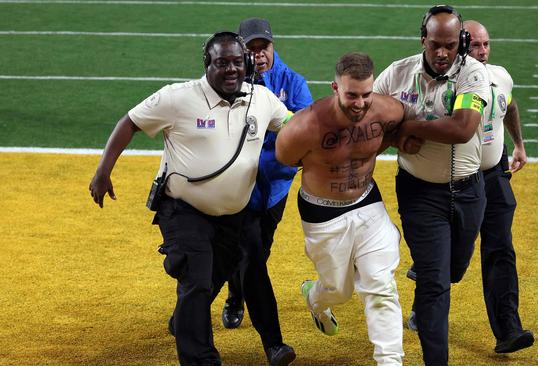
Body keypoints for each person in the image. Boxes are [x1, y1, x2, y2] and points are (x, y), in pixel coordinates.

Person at [89, 31, 294, 366]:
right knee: (197, 279)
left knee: (214, 277)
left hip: (235, 215)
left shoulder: (263, 99)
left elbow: (292, 125)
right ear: (207, 64)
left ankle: (184, 318)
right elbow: (129, 123)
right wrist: (103, 171)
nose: (231, 69)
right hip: (185, 210)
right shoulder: (176, 98)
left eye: (236, 62)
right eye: (221, 62)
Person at [403, 19, 535, 355]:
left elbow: (509, 105)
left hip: (494, 176)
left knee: (500, 249)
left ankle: (508, 329)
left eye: (486, 44)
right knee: (447, 260)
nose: (482, 51)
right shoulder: (455, 81)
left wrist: (518, 144)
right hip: (459, 182)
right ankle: (426, 298)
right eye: (475, 45)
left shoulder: (500, 75)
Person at [276, 52, 416, 366]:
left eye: (366, 94)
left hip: (368, 202)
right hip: (323, 214)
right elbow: (285, 158)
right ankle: (315, 298)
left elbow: (408, 121)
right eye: (351, 95)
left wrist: (402, 137)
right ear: (335, 88)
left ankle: (390, 360)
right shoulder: (304, 126)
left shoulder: (385, 108)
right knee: (338, 291)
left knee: (381, 285)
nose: (360, 103)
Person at [373, 5, 490, 366]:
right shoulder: (397, 74)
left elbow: (462, 128)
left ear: (462, 43)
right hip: (420, 192)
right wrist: (391, 139)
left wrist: (406, 128)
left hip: (469, 189)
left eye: (451, 45)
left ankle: (428, 272)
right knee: (436, 284)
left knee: (453, 269)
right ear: (423, 39)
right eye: (435, 44)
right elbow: (371, 125)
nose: (442, 53)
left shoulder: (474, 74)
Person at [217, 16, 312, 363]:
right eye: (251, 49)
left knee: (256, 254)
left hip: (274, 189)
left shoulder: (293, 83)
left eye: (263, 48)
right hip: (235, 188)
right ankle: (236, 306)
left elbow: (303, 131)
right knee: (248, 254)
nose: (258, 55)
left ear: (273, 47)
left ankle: (234, 294)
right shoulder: (225, 81)